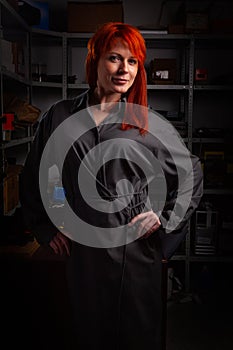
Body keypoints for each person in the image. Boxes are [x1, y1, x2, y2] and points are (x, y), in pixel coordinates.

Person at [20, 22, 203, 350]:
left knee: (137, 337)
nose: (125, 69)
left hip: (135, 255)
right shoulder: (60, 117)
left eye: (133, 61)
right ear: (94, 61)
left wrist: (165, 220)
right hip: (83, 256)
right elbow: (39, 175)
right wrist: (46, 227)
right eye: (115, 58)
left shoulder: (146, 123)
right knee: (85, 334)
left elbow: (191, 173)